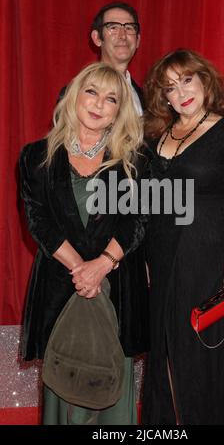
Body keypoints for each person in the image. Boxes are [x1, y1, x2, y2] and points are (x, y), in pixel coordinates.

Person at [19, 62, 149, 425]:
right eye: (91, 91)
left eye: (111, 98)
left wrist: (101, 265)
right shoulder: (36, 156)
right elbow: (38, 221)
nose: (98, 104)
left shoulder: (136, 160)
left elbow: (138, 221)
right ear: (75, 96)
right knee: (64, 386)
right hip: (61, 286)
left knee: (110, 391)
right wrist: (81, 270)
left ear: (118, 111)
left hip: (116, 289)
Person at [141, 49, 224, 425]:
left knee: (196, 355)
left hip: (205, 259)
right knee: (162, 352)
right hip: (160, 257)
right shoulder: (157, 134)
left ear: (205, 80)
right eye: (170, 87)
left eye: (187, 80)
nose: (181, 93)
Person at [59, 1, 143, 114]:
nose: (122, 35)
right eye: (113, 27)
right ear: (97, 38)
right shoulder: (76, 93)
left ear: (137, 40)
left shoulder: (145, 99)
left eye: (129, 28)